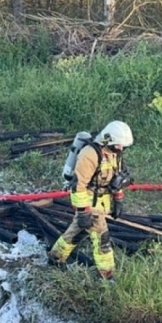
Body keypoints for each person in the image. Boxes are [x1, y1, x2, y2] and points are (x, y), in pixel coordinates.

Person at [48, 120, 134, 282]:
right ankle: (107, 276)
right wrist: (83, 211)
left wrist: (118, 199)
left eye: (123, 146)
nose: (121, 149)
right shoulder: (90, 154)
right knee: (102, 239)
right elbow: (78, 186)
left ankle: (55, 258)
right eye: (119, 145)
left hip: (102, 201)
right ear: (108, 139)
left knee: (76, 233)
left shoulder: (115, 153)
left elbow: (117, 178)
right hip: (88, 202)